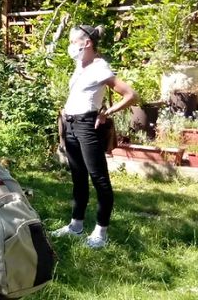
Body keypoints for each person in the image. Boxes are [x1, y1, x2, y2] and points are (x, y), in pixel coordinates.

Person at [51, 24, 137, 249]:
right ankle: (76, 226)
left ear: (86, 43)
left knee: (99, 179)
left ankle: (101, 232)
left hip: (87, 125)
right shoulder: (80, 65)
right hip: (69, 124)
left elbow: (130, 95)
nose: (70, 46)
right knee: (78, 178)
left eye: (72, 42)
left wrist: (107, 112)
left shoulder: (100, 68)